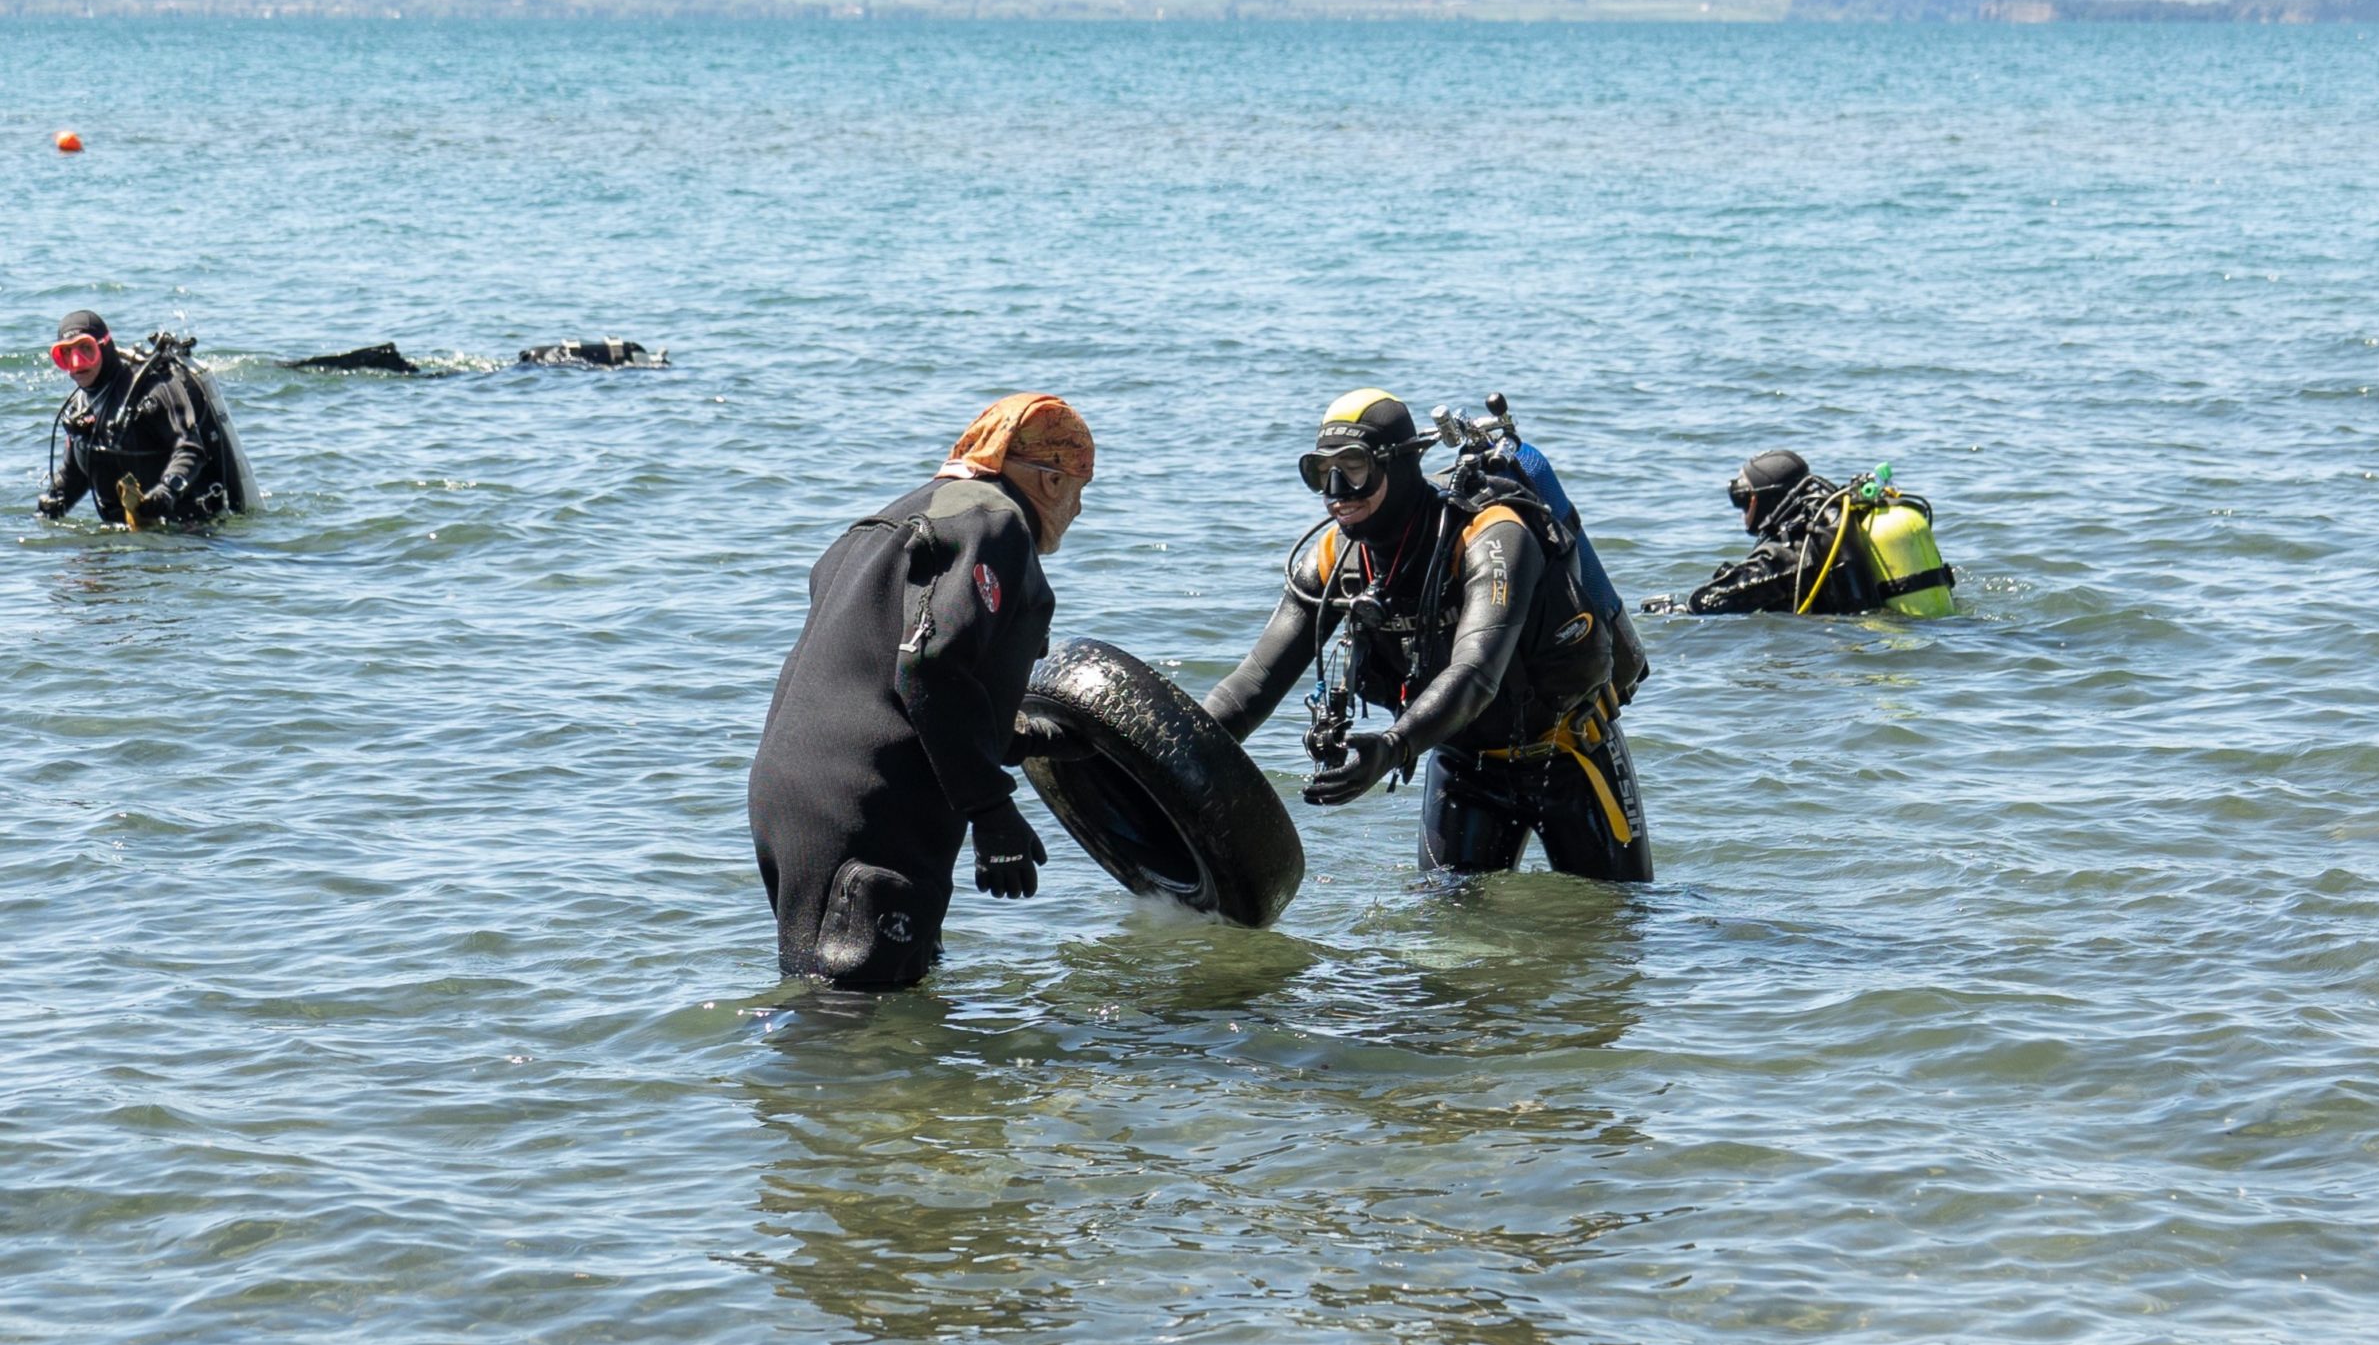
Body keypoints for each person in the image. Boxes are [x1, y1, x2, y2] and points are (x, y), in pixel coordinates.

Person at [1204, 389, 1650, 883]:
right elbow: (1254, 683)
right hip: (1461, 767)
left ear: (1397, 465)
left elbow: (1475, 674)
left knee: (1614, 924)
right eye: (1319, 471)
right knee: (1447, 940)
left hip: (1570, 754)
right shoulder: (1332, 560)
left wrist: (1393, 747)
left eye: (1353, 468)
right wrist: (1170, 749)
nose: (1336, 490)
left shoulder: (1493, 536)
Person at [749, 393, 1095, 987]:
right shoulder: (995, 521)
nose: (1079, 508)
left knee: (828, 990)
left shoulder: (884, 523)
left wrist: (1027, 739)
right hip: (870, 804)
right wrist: (992, 811)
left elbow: (890, 684)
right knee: (855, 1019)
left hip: (793, 795)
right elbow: (930, 670)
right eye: (1078, 486)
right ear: (1046, 476)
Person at [1644, 449, 1953, 617]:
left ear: (1765, 499)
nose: (1741, 510)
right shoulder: (1843, 524)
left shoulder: (1796, 549)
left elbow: (1712, 601)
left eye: (1742, 498)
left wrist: (1675, 610)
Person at [36, 310, 241, 525]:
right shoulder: (80, 406)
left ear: (104, 347)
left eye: (86, 348)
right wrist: (52, 504)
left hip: (185, 528)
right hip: (119, 534)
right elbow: (75, 475)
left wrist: (167, 491)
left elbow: (190, 448)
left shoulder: (153, 389)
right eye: (66, 353)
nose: (77, 362)